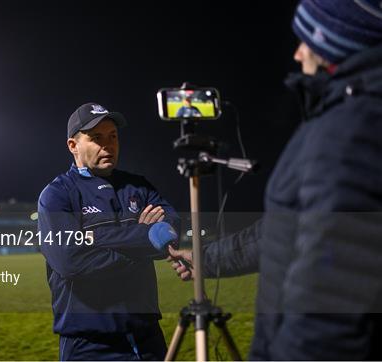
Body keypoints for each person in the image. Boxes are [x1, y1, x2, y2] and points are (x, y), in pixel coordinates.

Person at [168, 0, 382, 360]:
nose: (298, 55)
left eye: (305, 42)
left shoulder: (353, 131)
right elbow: (281, 234)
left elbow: (330, 305)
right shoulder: (341, 119)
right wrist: (205, 259)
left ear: (333, 44)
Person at [38, 102, 181, 361]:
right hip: (90, 344)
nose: (108, 144)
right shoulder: (57, 195)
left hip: (148, 337)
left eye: (113, 136)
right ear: (73, 145)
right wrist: (143, 242)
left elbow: (173, 227)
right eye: (96, 138)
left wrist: (99, 239)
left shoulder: (138, 186)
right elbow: (72, 261)